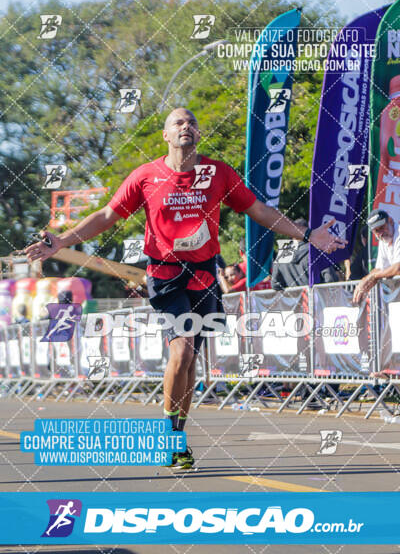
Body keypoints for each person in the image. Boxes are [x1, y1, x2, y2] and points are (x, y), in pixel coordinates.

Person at [25, 108, 346, 469]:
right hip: (164, 276)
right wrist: (63, 241)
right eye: (178, 122)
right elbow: (105, 216)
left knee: (192, 359)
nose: (186, 127)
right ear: (166, 135)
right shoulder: (146, 176)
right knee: (181, 351)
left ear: (198, 133)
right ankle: (170, 436)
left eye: (192, 122)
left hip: (205, 276)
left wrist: (308, 234)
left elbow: (259, 210)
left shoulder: (218, 173)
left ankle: (178, 433)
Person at [271, 218, 340, 290]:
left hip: (295, 300)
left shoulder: (283, 253)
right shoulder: (317, 251)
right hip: (316, 299)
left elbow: (275, 284)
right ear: (308, 231)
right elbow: (331, 279)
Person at [353, 210, 400, 304]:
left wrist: (373, 276)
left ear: (390, 221)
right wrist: (365, 281)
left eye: (382, 227)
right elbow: (380, 268)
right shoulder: (383, 240)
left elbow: (398, 268)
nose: (381, 233)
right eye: (376, 231)